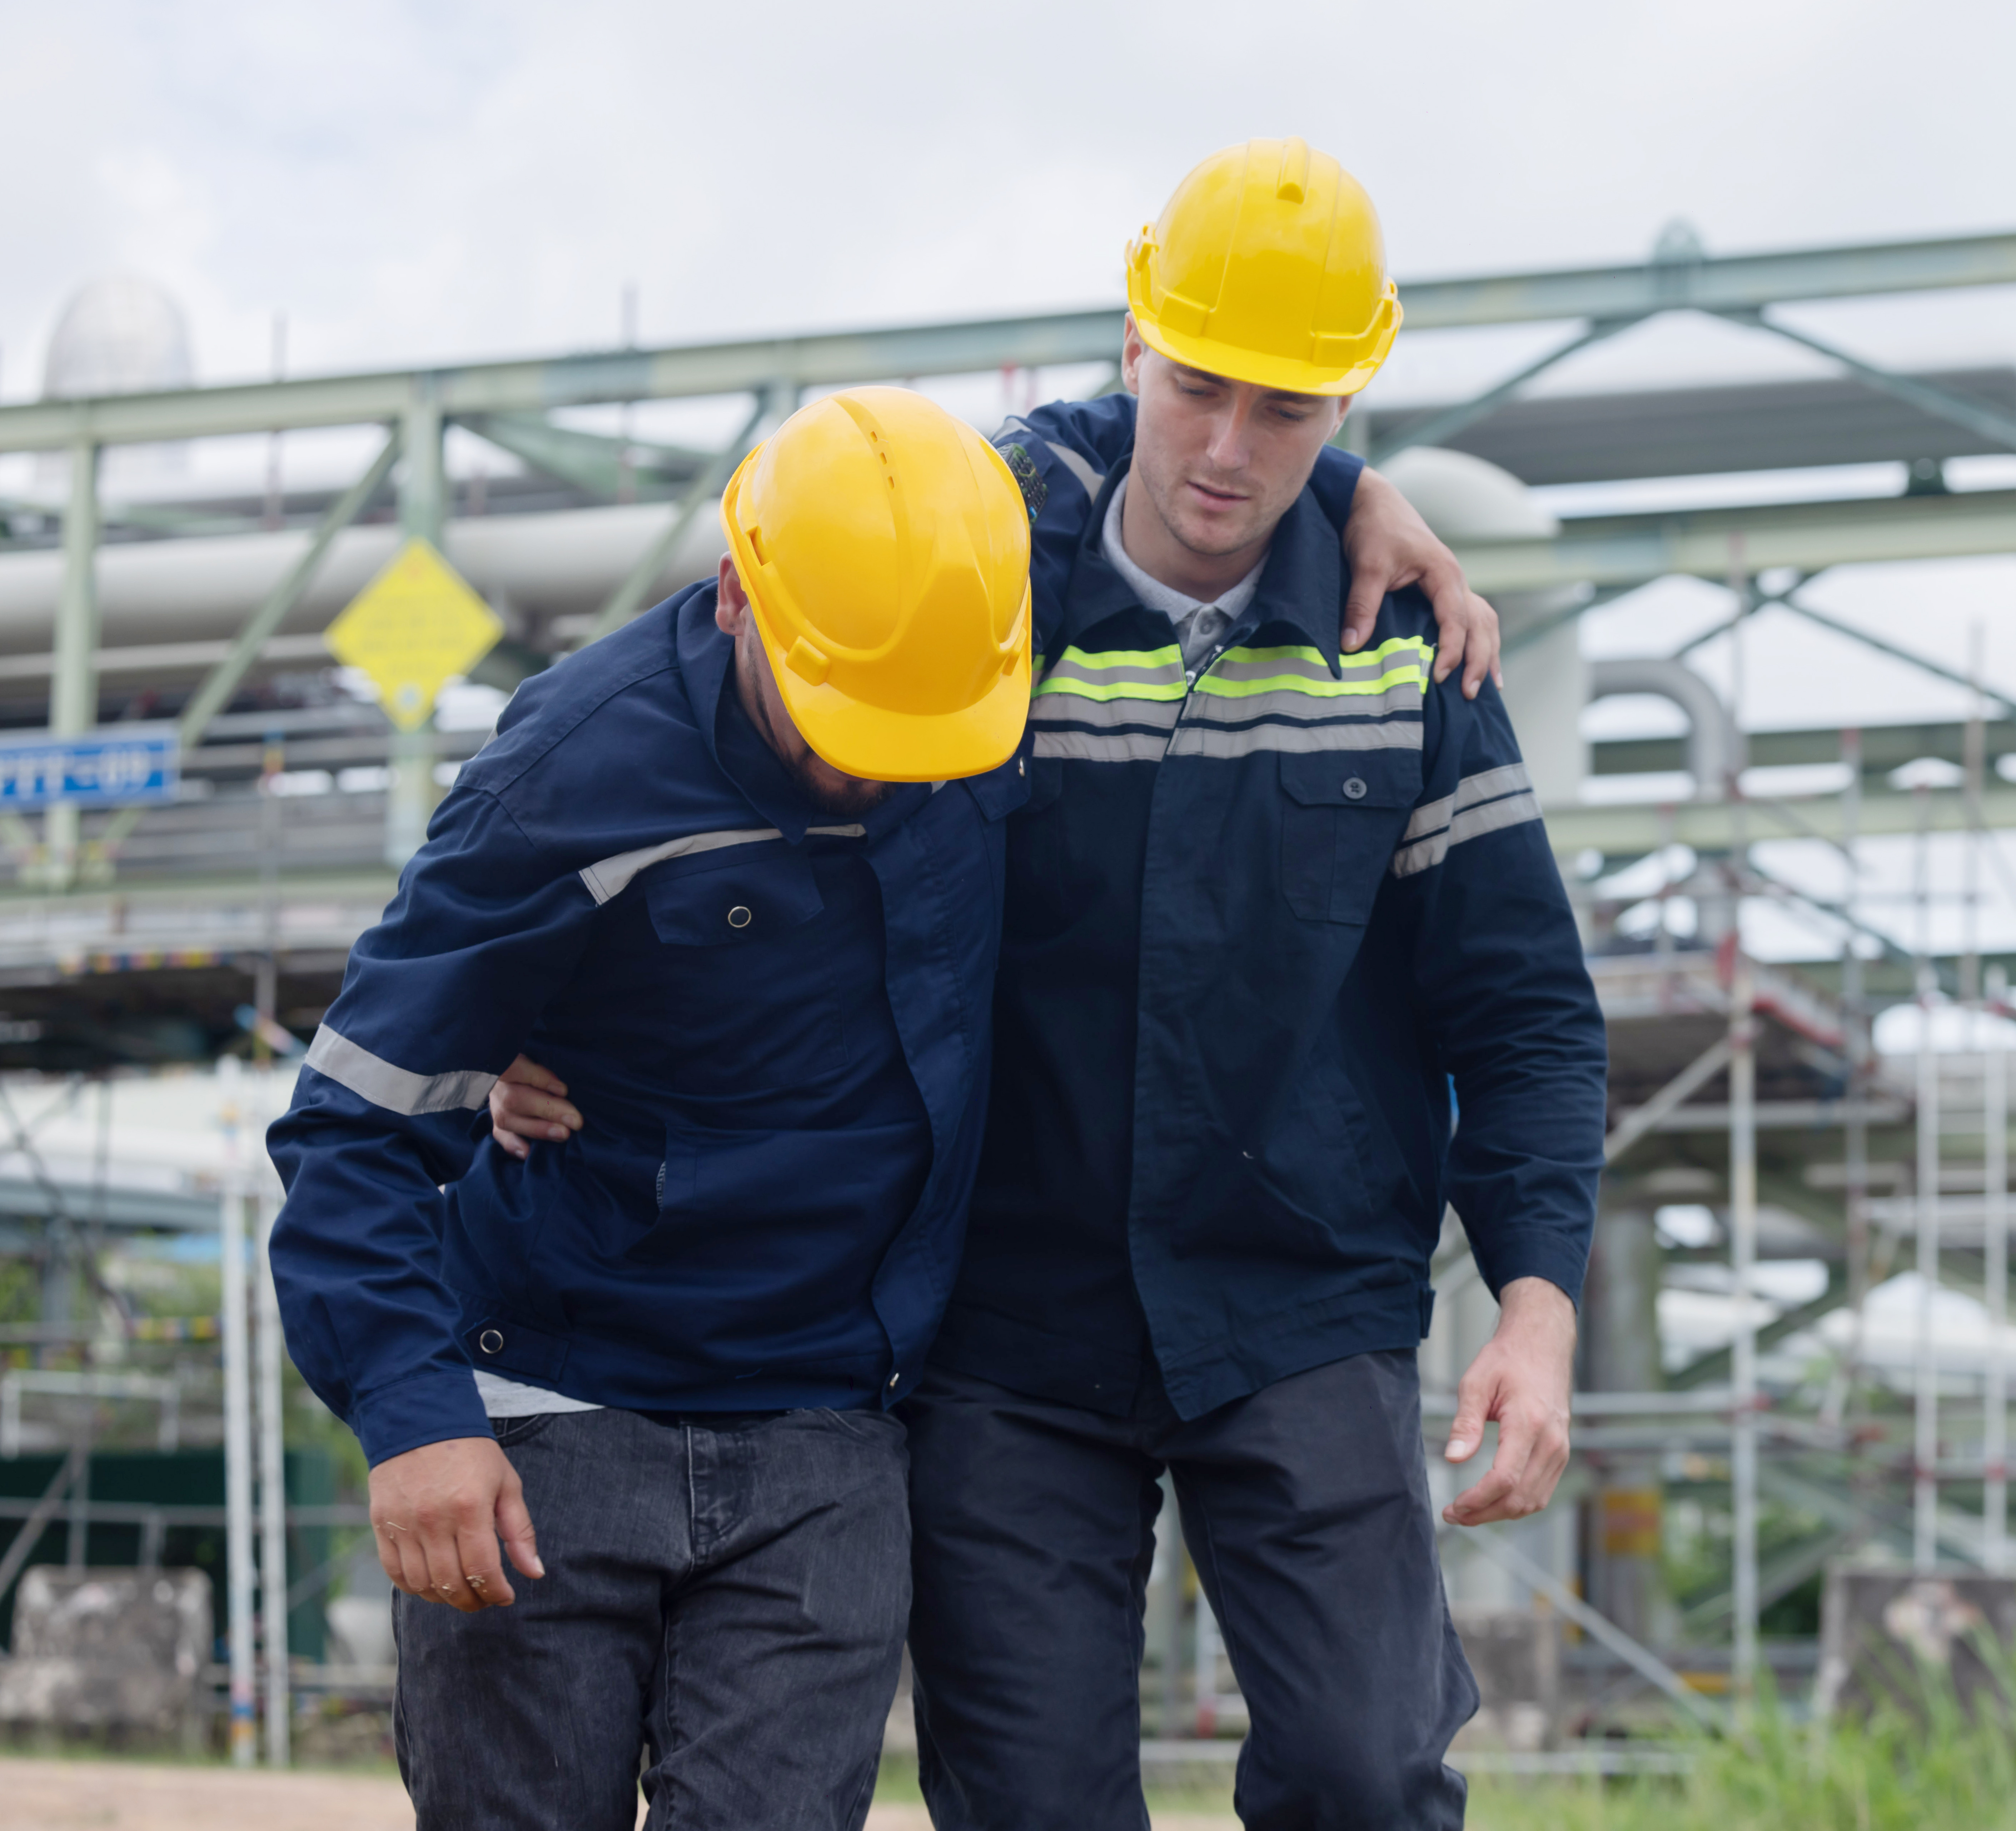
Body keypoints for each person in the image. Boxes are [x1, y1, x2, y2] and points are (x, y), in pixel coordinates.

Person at [504, 137, 1604, 1828]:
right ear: (1130, 345)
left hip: (1293, 1297)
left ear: (1346, 408)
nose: (1230, 452)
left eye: (1289, 416)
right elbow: (741, 690)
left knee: (1366, 1775)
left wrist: (1534, 1305)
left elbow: (1520, 1008)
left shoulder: (1407, 648)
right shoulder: (973, 587)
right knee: (1027, 1804)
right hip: (1005, 1321)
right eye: (1195, 389)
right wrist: (547, 1012)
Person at [271, 380, 1493, 1831]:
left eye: (925, 730)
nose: (876, 762)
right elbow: (353, 1125)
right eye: (843, 718)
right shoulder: (567, 777)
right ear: (740, 599)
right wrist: (412, 1416)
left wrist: (1345, 486)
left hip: (827, 1433)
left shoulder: (965, 605)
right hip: (551, 1418)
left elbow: (1153, 428)